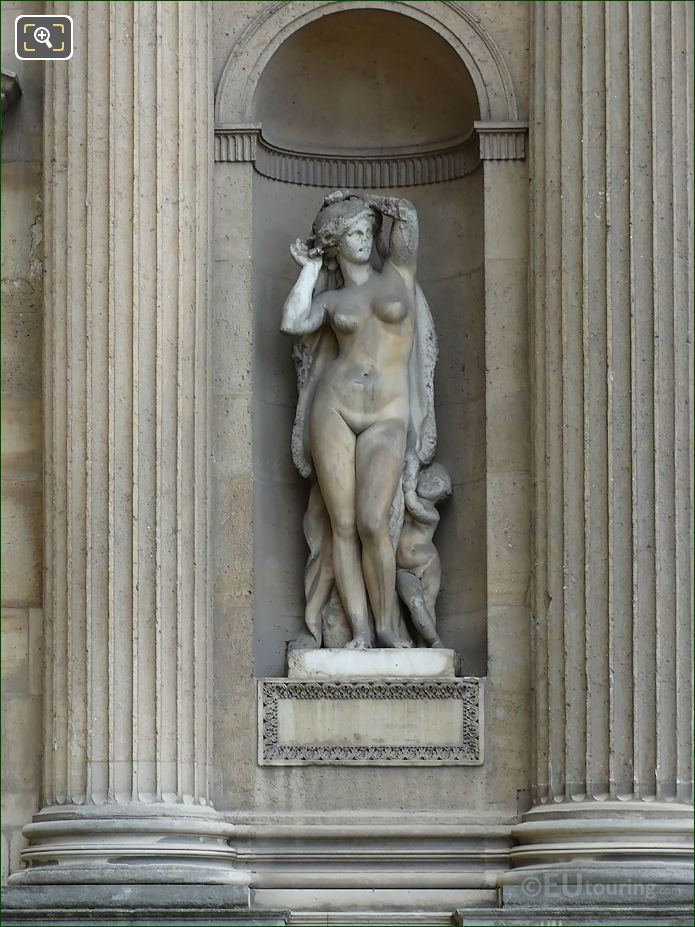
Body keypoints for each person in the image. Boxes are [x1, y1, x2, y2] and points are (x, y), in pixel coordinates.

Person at [281, 190, 437, 649]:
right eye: (352, 231)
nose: (365, 238)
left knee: (372, 521)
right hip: (333, 408)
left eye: (367, 229)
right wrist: (308, 271)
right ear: (334, 242)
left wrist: (362, 200)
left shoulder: (398, 274)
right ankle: (361, 631)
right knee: (342, 525)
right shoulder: (331, 300)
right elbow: (292, 321)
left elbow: (407, 214)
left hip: (388, 413)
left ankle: (387, 625)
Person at [395, 463, 452, 648]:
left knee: (428, 604)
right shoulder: (402, 500)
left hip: (428, 564)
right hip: (403, 568)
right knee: (416, 603)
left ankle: (429, 645)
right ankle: (434, 642)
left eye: (437, 481)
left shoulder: (432, 514)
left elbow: (413, 506)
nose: (429, 481)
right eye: (427, 475)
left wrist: (408, 484)